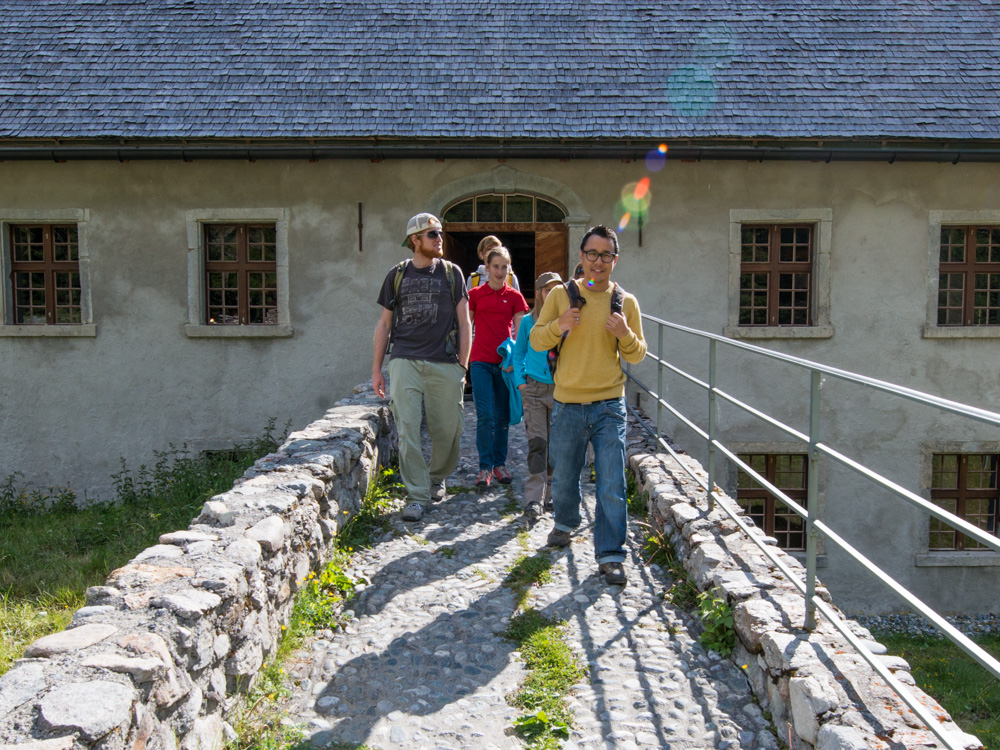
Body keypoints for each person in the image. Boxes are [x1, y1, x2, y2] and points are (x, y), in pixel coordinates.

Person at [530, 225, 646, 586]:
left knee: (612, 481)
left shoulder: (625, 303)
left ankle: (611, 555)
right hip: (568, 403)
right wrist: (559, 325)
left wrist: (624, 334)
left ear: (615, 259)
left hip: (610, 405)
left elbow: (638, 354)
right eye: (592, 254)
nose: (598, 262)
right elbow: (535, 340)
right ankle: (565, 523)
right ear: (581, 257)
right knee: (564, 476)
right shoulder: (563, 296)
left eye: (606, 255)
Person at [372, 213, 471, 522]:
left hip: (445, 363)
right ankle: (416, 495)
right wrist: (377, 369)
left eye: (439, 233)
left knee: (448, 431)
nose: (438, 238)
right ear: (415, 240)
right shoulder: (396, 275)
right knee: (408, 429)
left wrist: (462, 368)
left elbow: (466, 323)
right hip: (404, 361)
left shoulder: (452, 273)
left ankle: (436, 477)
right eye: (432, 234)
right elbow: (384, 324)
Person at [468, 245, 529, 488]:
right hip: (480, 361)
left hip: (505, 365)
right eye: (496, 266)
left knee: (502, 417)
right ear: (487, 267)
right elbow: (466, 328)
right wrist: (462, 362)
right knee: (485, 415)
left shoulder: (515, 297)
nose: (500, 271)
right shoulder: (475, 295)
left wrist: (518, 364)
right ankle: (484, 468)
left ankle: (499, 464)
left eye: (505, 267)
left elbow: (521, 335)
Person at [511, 271, 563, 519]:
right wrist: (521, 382)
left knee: (556, 445)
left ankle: (552, 495)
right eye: (546, 289)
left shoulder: (566, 323)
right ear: (539, 293)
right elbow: (518, 353)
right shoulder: (528, 323)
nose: (551, 293)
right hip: (533, 389)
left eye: (556, 289)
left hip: (560, 390)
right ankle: (534, 498)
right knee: (537, 443)